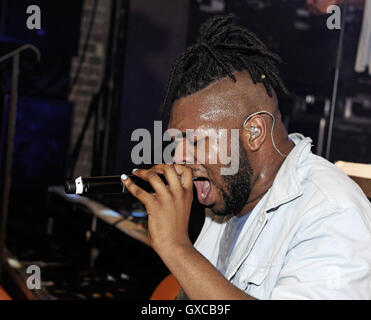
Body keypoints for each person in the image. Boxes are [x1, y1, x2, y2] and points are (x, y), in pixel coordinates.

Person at [121, 14, 371, 299]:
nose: (178, 157)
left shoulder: (332, 213)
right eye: (176, 142)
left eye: (194, 140)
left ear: (254, 132)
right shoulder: (230, 197)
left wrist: (177, 248)